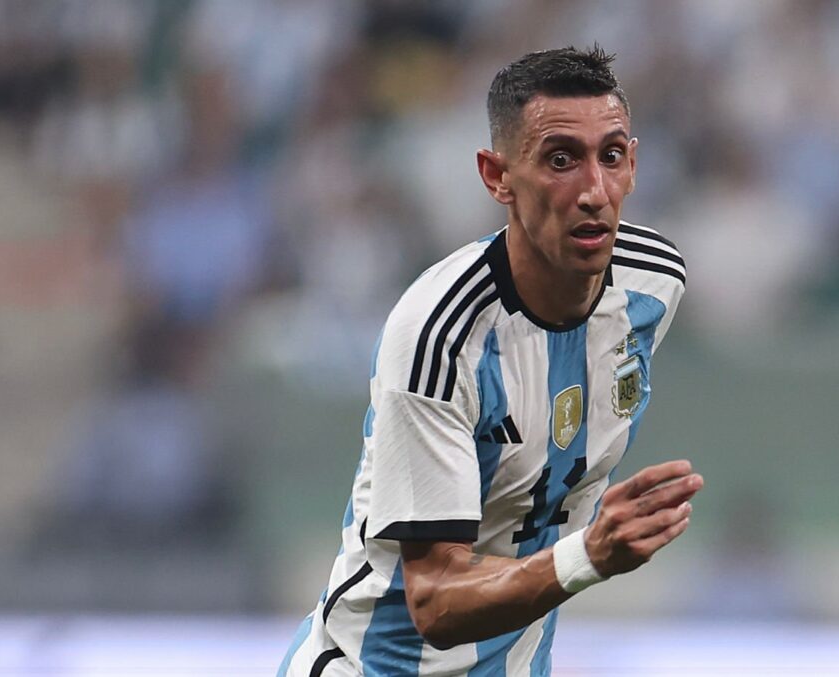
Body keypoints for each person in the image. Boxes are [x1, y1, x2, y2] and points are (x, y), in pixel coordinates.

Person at [279, 46, 703, 676]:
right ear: (497, 175)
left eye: (611, 156)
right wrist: (587, 555)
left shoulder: (655, 284)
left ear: (633, 165)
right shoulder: (438, 335)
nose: (594, 191)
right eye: (560, 160)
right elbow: (434, 600)